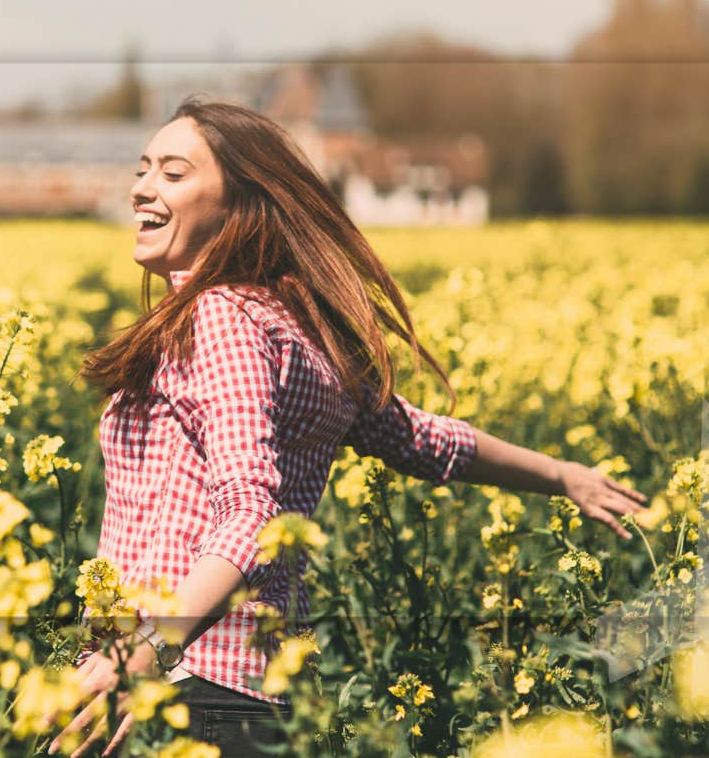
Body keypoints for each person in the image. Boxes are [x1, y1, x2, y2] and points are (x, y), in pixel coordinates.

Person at [45, 97, 650, 757]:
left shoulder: (220, 316)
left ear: (241, 201)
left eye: (173, 172)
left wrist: (139, 655)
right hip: (256, 694)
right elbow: (422, 439)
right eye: (143, 169)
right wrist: (562, 475)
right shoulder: (298, 325)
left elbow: (249, 515)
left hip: (184, 691)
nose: (143, 188)